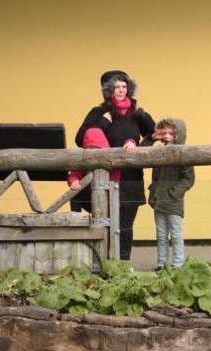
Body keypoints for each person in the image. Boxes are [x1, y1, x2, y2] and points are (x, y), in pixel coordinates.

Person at [75, 70, 156, 260]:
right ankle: (104, 263)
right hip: (105, 179)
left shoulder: (136, 113)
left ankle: (124, 264)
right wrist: (103, 122)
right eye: (116, 87)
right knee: (105, 222)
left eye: (124, 86)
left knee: (126, 225)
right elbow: (81, 138)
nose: (121, 90)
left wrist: (143, 118)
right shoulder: (98, 113)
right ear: (108, 90)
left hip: (131, 179)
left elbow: (153, 132)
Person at [147, 118, 194, 271]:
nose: (167, 136)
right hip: (158, 201)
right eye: (164, 132)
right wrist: (153, 191)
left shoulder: (184, 154)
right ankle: (161, 264)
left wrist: (174, 194)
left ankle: (178, 265)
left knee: (176, 235)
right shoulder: (159, 152)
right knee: (161, 235)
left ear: (178, 135)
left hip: (173, 202)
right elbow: (152, 172)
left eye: (171, 133)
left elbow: (188, 179)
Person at [67, 127, 120, 213]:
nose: (93, 154)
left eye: (96, 150)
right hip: (89, 198)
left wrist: (130, 142)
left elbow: (123, 155)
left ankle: (109, 224)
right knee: (75, 194)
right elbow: (74, 174)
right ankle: (76, 219)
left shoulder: (111, 160)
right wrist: (74, 181)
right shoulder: (83, 161)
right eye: (89, 150)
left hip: (109, 199)